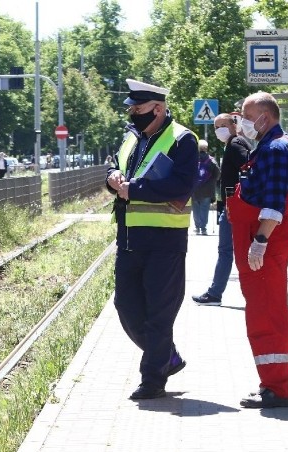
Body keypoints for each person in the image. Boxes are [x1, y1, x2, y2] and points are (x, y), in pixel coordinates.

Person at [105, 79, 198, 400]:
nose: (132, 113)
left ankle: (153, 379)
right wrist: (112, 177)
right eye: (131, 108)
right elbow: (115, 167)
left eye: (138, 108)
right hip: (129, 237)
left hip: (164, 240)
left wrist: (135, 189)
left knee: (159, 312)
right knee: (126, 306)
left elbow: (183, 185)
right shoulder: (132, 138)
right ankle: (166, 356)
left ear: (157, 109)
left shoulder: (183, 139)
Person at [227, 92, 288, 408]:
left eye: (246, 114)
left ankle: (277, 388)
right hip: (267, 240)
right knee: (273, 310)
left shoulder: (275, 149)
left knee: (265, 313)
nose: (241, 120)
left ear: (264, 116)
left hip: (265, 241)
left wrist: (259, 242)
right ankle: (280, 381)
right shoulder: (271, 147)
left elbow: (273, 203)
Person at [191, 113, 251, 306]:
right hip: (232, 206)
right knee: (229, 251)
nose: (218, 131)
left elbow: (248, 167)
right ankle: (216, 293)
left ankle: (216, 294)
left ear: (233, 124)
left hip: (235, 207)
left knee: (227, 251)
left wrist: (236, 195)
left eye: (221, 126)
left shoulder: (235, 144)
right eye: (216, 127)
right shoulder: (235, 143)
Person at [191, 139, 219, 235]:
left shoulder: (193, 159)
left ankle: (197, 227)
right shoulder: (211, 160)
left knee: (195, 208)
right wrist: (212, 181)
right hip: (207, 189)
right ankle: (203, 228)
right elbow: (217, 174)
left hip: (194, 188)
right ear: (206, 148)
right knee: (204, 208)